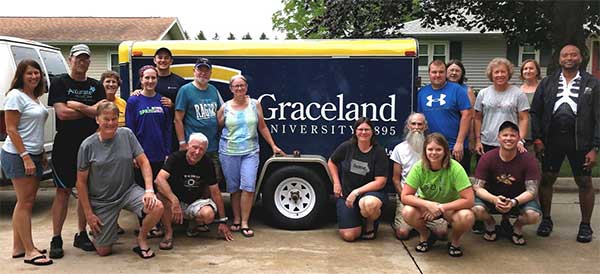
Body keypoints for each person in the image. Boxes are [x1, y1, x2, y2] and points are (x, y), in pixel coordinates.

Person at [76, 102, 164, 258]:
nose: (110, 123)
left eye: (114, 119)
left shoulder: (127, 134)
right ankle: (101, 234)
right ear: (97, 119)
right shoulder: (87, 145)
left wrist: (149, 190)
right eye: (106, 119)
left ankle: (141, 239)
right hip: (102, 200)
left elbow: (144, 161)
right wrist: (89, 213)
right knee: (104, 251)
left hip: (128, 191)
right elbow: (81, 183)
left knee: (157, 206)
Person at [531, 44, 599, 243]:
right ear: (559, 59)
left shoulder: (592, 83)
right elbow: (536, 111)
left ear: (580, 58)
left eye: (573, 54)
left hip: (581, 140)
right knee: (547, 179)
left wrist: (595, 147)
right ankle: (546, 220)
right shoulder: (547, 82)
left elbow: (598, 116)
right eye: (565, 55)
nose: (569, 58)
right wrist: (537, 138)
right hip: (552, 139)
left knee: (585, 181)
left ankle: (585, 225)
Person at [47, 44, 106, 258]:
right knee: (62, 192)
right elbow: (62, 113)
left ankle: (81, 234)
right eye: (78, 58)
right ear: (70, 59)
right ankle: (56, 237)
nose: (82, 62)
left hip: (90, 145)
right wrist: (89, 111)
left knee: (85, 193)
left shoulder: (96, 85)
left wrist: (79, 106)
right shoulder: (60, 82)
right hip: (65, 145)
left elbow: (100, 112)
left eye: (86, 58)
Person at [217, 75, 284, 237]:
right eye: (236, 86)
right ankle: (237, 219)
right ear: (231, 89)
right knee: (233, 188)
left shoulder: (255, 105)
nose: (239, 88)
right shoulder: (224, 108)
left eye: (242, 85)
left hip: (250, 151)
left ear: (246, 87)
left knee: (248, 186)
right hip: (228, 152)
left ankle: (245, 222)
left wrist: (273, 145)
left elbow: (262, 127)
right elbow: (218, 128)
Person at [2, 60, 52, 266]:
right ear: (21, 75)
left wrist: (39, 153)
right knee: (26, 203)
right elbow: (11, 129)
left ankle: (18, 247)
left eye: (37, 73)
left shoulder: (33, 97)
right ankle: (30, 251)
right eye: (29, 73)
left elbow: (32, 130)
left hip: (33, 154)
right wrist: (25, 156)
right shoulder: (15, 96)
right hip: (18, 155)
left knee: (24, 202)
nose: (34, 77)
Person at [155, 133, 233, 249]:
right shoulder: (176, 158)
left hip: (195, 202)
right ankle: (168, 233)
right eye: (195, 147)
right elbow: (159, 179)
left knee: (208, 214)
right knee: (161, 195)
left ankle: (193, 224)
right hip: (175, 202)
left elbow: (215, 192)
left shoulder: (207, 163)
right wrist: (173, 199)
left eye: (201, 149)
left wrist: (222, 221)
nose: (197, 152)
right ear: (188, 146)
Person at [401, 133, 474, 257]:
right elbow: (405, 196)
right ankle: (425, 235)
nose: (433, 153)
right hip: (426, 207)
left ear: (445, 151)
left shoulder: (455, 168)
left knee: (467, 216)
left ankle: (455, 241)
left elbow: (469, 200)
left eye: (438, 149)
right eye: (430, 149)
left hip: (450, 208)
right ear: (425, 151)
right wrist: (428, 204)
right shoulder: (419, 167)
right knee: (407, 211)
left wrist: (441, 207)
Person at [472, 121, 541, 245]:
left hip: (518, 199)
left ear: (519, 138)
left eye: (512, 135)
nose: (508, 139)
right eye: (505, 135)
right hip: (492, 197)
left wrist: (514, 202)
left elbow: (532, 190)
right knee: (476, 209)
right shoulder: (487, 158)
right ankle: (490, 223)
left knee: (533, 215)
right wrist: (494, 199)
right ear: (498, 138)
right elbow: (477, 187)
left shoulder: (529, 160)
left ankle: (517, 227)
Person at [327, 117, 388, 242]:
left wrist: (356, 192)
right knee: (349, 236)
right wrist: (336, 183)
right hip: (346, 194)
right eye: (360, 129)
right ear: (355, 131)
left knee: (369, 204)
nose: (363, 132)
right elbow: (331, 162)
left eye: (367, 129)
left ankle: (370, 222)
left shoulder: (379, 152)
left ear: (372, 132)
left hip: (370, 194)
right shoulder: (347, 147)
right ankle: (358, 219)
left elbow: (380, 181)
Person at [390, 113, 448, 241]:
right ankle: (421, 229)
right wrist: (404, 198)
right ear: (408, 126)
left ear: (425, 126)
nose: (416, 127)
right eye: (413, 124)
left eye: (420, 124)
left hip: (430, 196)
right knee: (402, 233)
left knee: (442, 233)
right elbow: (395, 178)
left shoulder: (433, 149)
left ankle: (421, 225)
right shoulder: (399, 149)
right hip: (407, 196)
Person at [175, 57, 224, 189]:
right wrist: (182, 143)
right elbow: (178, 119)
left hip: (212, 147)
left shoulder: (213, 90)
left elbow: (221, 113)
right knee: (194, 182)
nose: (203, 73)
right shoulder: (185, 90)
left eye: (206, 71)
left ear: (210, 73)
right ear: (194, 71)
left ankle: (208, 206)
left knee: (213, 181)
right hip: (194, 148)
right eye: (200, 70)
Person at [417, 59, 472, 173]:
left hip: (455, 147)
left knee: (458, 184)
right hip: (433, 149)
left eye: (441, 72)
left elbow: (467, 115)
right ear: (429, 74)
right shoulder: (422, 93)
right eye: (434, 72)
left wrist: (460, 142)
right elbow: (420, 119)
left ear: (445, 73)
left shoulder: (457, 90)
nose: (437, 75)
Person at [126, 65, 172, 188]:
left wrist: (168, 152)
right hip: (141, 154)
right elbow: (130, 130)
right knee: (143, 192)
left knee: (159, 190)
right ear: (141, 80)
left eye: (153, 78)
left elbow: (167, 129)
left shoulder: (163, 101)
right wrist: (132, 154)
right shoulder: (133, 101)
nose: (150, 81)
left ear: (157, 80)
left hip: (160, 154)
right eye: (147, 78)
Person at [132, 47, 186, 152]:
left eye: (166, 58)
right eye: (160, 57)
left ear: (171, 61)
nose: (163, 60)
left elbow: (184, 107)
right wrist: (135, 93)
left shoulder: (179, 82)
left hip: (171, 130)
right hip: (150, 128)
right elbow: (138, 99)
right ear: (154, 60)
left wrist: (173, 105)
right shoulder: (147, 80)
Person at [474, 57, 529, 156]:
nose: (500, 75)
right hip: (487, 142)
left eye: (503, 72)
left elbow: (523, 119)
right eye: (496, 72)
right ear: (491, 74)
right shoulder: (483, 93)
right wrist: (478, 140)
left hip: (510, 142)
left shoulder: (518, 94)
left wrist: (520, 140)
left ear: (508, 73)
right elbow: (477, 118)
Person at [446, 59, 476, 175]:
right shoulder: (441, 89)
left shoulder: (467, 91)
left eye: (457, 71)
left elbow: (472, 117)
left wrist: (472, 138)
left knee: (460, 172)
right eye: (451, 70)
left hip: (461, 140)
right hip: (444, 140)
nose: (454, 73)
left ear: (462, 73)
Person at [519, 59, 541, 147]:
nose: (528, 71)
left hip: (537, 133)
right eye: (525, 69)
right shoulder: (517, 90)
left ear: (537, 71)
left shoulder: (543, 89)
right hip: (521, 133)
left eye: (531, 68)